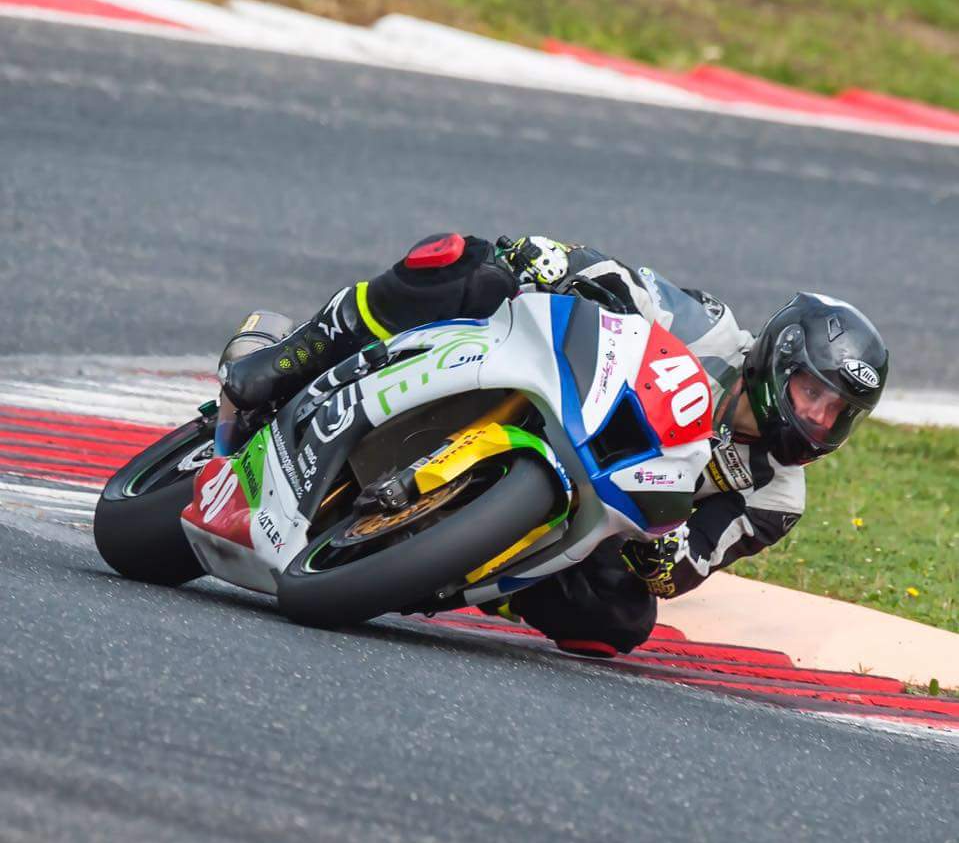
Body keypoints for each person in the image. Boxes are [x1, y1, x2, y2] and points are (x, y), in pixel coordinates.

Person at [217, 233, 889, 657]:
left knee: (622, 621)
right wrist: (558, 261)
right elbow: (629, 285)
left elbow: (689, 567)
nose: (818, 418)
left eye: (837, 412)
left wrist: (665, 548)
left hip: (600, 510)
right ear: (781, 358)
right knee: (465, 261)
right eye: (813, 392)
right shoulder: (710, 330)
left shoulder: (775, 496)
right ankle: (294, 355)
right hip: (557, 387)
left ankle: (466, 571)